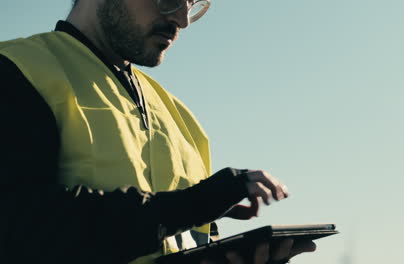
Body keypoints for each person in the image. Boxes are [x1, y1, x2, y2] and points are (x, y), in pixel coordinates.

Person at [0, 0, 316, 263]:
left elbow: (185, 233)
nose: (182, 19)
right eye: (168, 0)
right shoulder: (17, 69)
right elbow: (22, 227)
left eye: (191, 4)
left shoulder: (179, 115)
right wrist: (194, 204)